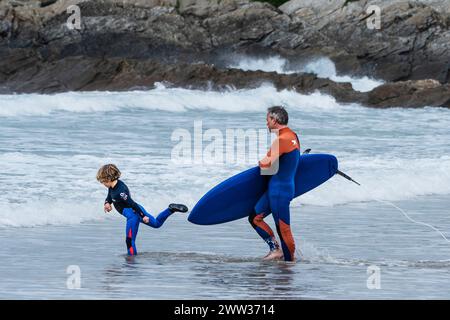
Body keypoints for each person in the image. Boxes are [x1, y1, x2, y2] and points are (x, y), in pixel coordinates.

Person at [96, 164, 188, 256]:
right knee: (156, 224)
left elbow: (132, 204)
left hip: (133, 214)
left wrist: (143, 216)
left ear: (108, 179)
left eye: (103, 181)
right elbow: (110, 195)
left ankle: (131, 262)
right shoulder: (114, 185)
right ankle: (171, 209)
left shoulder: (120, 192)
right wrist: (107, 203)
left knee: (129, 240)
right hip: (136, 210)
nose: (102, 184)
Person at [248, 106, 300, 262]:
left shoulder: (281, 140)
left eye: (267, 120)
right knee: (254, 218)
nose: (266, 123)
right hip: (282, 188)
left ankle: (290, 263)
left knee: (283, 228)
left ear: (275, 120)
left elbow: (265, 164)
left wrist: (260, 162)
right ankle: (276, 250)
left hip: (278, 192)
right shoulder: (293, 136)